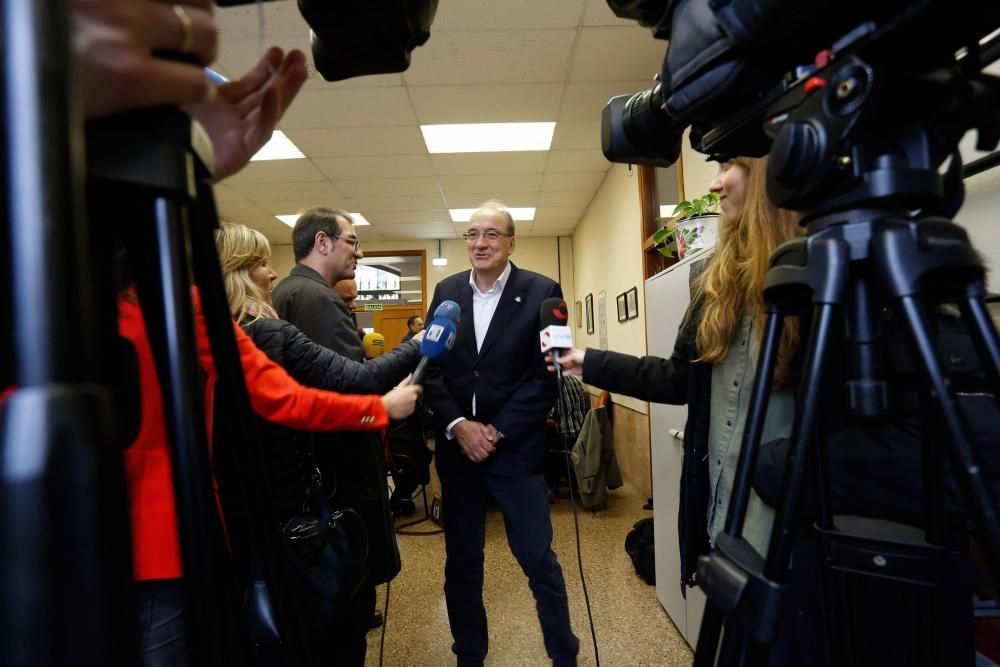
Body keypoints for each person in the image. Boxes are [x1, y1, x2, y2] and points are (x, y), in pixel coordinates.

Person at [549, 156, 799, 581]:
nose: (716, 183)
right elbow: (676, 378)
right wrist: (586, 361)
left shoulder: (820, 275)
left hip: (793, 528)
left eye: (729, 166)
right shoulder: (714, 279)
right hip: (722, 517)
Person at [213, 222, 424, 661]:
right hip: (287, 507)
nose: (272, 274)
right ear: (239, 272)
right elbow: (344, 387)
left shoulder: (213, 337)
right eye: (260, 264)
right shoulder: (267, 333)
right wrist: (415, 350)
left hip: (230, 509)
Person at [423, 203, 579, 666]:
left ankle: (563, 654)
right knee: (462, 566)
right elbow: (431, 368)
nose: (480, 243)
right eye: (472, 234)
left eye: (492, 234)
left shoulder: (544, 291)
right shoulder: (446, 291)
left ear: (511, 243)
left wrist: (495, 430)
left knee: (539, 562)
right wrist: (458, 425)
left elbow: (550, 373)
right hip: (458, 453)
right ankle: (469, 655)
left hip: (516, 454)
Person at [271, 207, 399, 664]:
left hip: (313, 476)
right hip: (340, 481)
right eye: (352, 241)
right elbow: (353, 385)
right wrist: (415, 352)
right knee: (348, 607)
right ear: (322, 242)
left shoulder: (286, 291)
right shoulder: (316, 298)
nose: (360, 253)